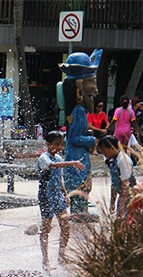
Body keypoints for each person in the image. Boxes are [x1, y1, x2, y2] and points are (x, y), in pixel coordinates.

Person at [58, 50, 100, 216]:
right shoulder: (79, 111)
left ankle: (81, 211)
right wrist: (91, 140)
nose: (95, 89)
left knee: (83, 186)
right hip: (77, 156)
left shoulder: (77, 110)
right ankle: (79, 214)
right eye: (91, 83)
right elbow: (75, 138)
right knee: (80, 185)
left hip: (76, 155)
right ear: (79, 88)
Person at [37, 131, 85, 272]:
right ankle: (45, 260)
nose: (59, 147)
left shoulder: (58, 157)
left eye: (61, 144)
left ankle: (61, 255)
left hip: (58, 195)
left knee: (66, 226)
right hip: (46, 196)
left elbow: (59, 178)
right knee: (46, 228)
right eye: (56, 144)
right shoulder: (44, 158)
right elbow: (52, 166)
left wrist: (65, 195)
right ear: (48, 144)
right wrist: (72, 163)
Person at [98, 135, 136, 218]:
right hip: (122, 196)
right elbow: (114, 184)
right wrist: (112, 204)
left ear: (112, 148)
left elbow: (125, 185)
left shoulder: (123, 160)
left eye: (104, 151)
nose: (104, 154)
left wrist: (121, 207)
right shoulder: (112, 160)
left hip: (130, 197)